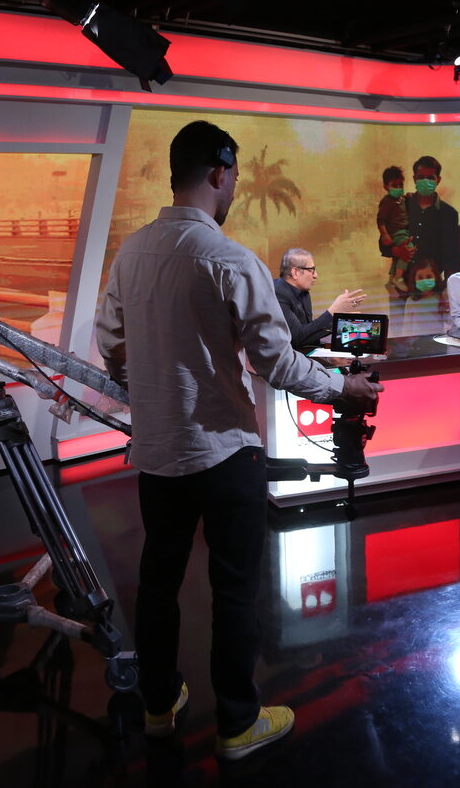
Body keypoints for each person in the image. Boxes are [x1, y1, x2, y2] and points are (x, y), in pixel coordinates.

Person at [95, 120, 381, 760]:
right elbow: (276, 362)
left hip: (158, 453)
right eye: (234, 178)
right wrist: (344, 389)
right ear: (220, 172)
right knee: (233, 589)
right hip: (226, 451)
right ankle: (236, 723)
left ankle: (159, 705)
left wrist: (149, 388)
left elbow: (111, 343)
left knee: (158, 581)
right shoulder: (229, 259)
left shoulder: (131, 253)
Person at [273, 248, 367, 350]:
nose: (316, 275)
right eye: (311, 270)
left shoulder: (303, 293)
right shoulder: (278, 294)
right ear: (295, 272)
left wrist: (338, 320)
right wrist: (332, 312)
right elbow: (298, 339)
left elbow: (308, 333)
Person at [404, 156, 460, 284]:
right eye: (421, 177)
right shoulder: (402, 207)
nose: (425, 181)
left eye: (430, 177)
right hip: (402, 283)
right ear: (414, 178)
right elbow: (384, 244)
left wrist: (448, 286)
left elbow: (451, 255)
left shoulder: (449, 214)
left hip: (432, 284)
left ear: (438, 180)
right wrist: (396, 250)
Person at [375, 166, 412, 292]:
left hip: (404, 232)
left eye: (401, 185)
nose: (398, 188)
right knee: (408, 250)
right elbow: (381, 220)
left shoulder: (403, 199)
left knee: (398, 257)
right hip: (397, 233)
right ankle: (398, 277)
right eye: (394, 185)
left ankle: (391, 281)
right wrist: (385, 234)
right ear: (386, 187)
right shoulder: (387, 202)